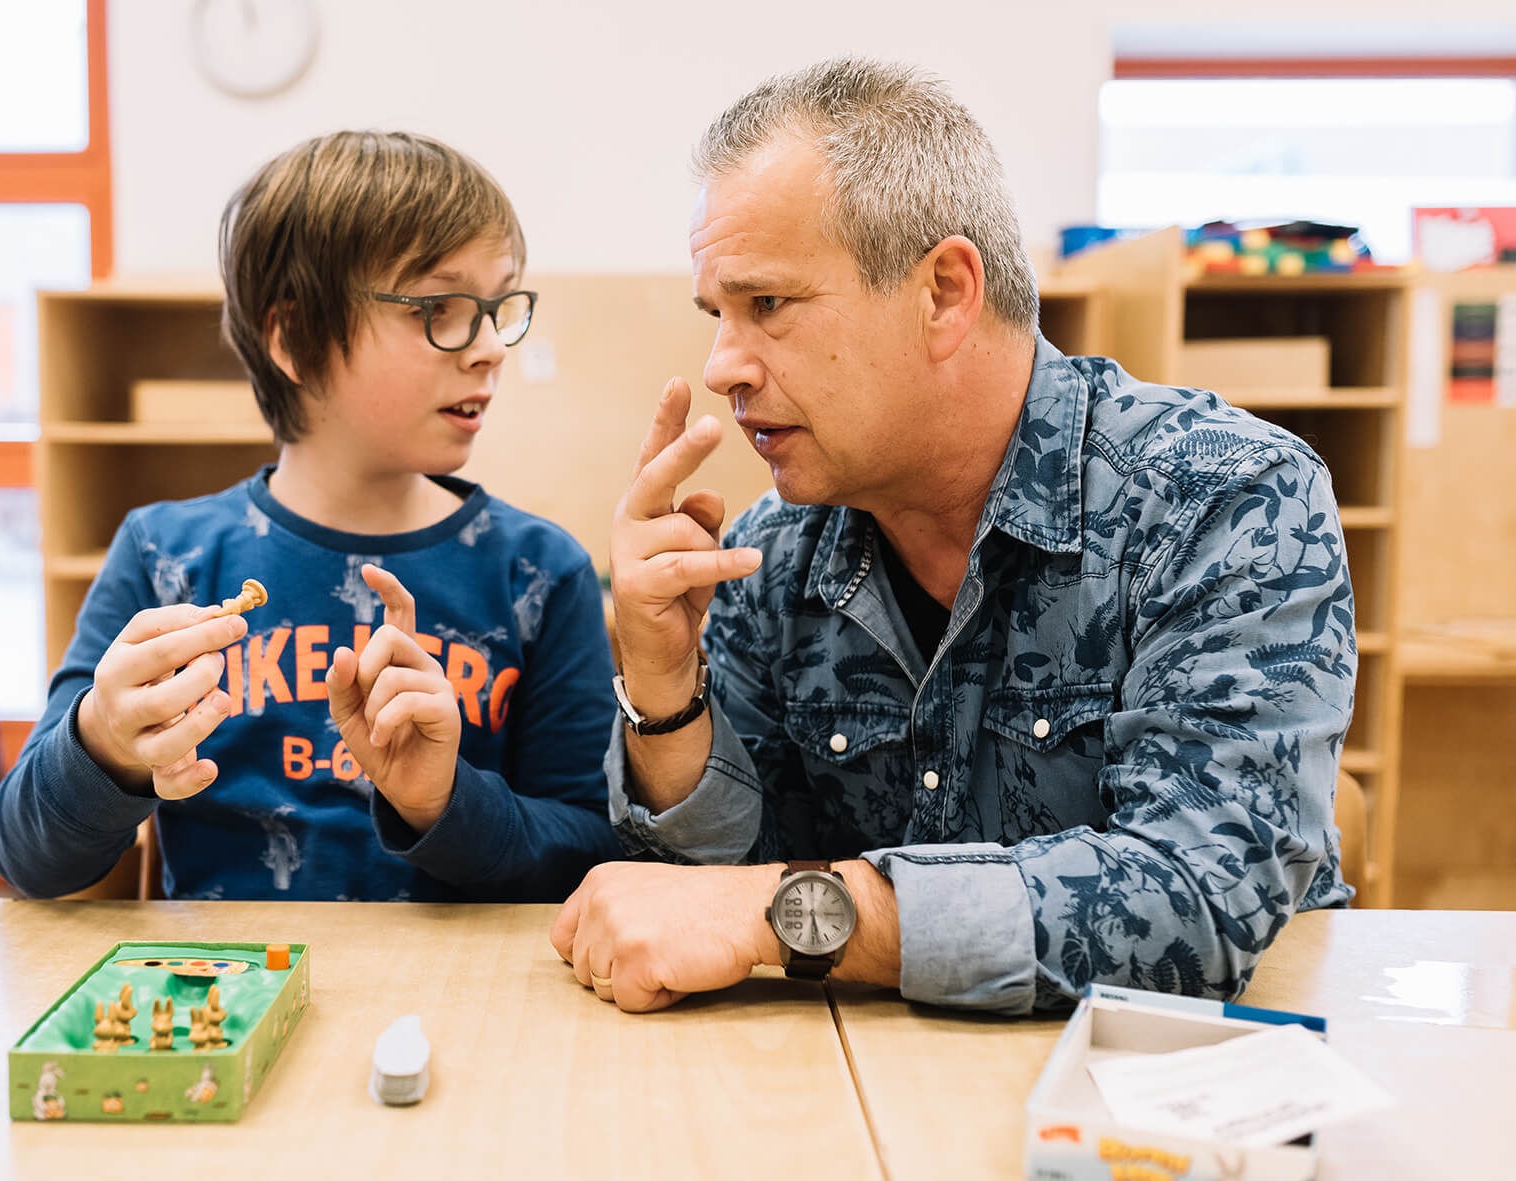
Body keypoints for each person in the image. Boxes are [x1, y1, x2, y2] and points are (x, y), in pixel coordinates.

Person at [553, 59, 1354, 1013]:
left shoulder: (1225, 500)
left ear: (942, 292)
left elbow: (1198, 897)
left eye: (765, 305)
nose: (724, 364)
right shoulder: (774, 556)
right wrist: (662, 691)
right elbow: (696, 900)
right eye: (716, 316)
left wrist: (793, 915)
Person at [0, 130, 620, 901]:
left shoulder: (541, 570)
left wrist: (442, 803)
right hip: (229, 1003)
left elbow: (591, 850)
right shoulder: (165, 556)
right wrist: (101, 744)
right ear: (294, 338)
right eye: (441, 308)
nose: (489, 347)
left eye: (496, 307)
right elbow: (28, 859)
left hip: (461, 1008)